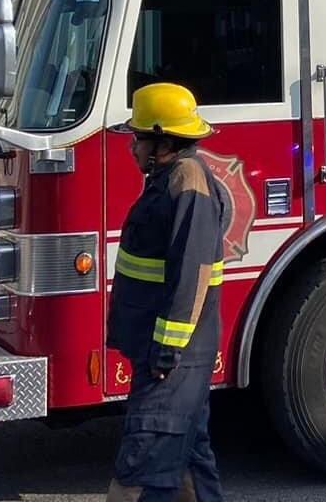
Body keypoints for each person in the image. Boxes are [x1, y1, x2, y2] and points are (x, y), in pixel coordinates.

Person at [105, 82, 231, 502]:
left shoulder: (187, 183)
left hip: (172, 361)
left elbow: (191, 272)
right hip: (170, 356)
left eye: (138, 138)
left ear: (163, 142)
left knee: (144, 472)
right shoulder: (172, 178)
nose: (132, 147)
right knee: (189, 465)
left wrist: (166, 349)